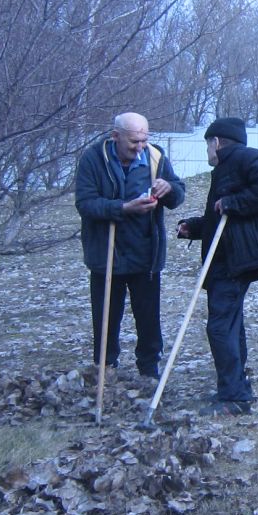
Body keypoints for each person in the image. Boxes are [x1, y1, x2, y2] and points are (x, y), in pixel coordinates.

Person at [175, 117, 258, 414]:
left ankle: (234, 398)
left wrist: (232, 203)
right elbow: (223, 219)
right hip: (229, 256)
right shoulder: (227, 168)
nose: (206, 151)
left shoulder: (245, 157)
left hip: (236, 260)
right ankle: (237, 386)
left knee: (220, 326)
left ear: (216, 142)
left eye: (207, 144)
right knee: (229, 323)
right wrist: (195, 227)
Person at [74, 112, 185, 382]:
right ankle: (105, 367)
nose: (140, 147)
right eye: (134, 141)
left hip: (145, 254)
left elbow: (178, 195)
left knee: (148, 317)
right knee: (105, 317)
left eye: (144, 140)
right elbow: (85, 203)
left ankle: (149, 369)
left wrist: (167, 187)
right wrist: (123, 208)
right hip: (106, 254)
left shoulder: (156, 157)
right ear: (115, 136)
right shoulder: (93, 159)